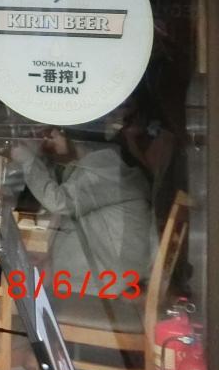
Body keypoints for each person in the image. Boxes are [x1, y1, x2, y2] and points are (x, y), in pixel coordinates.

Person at [12, 119, 155, 284]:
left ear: (70, 135)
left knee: (17, 266)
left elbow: (58, 202)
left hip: (110, 280)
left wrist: (28, 160)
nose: (47, 139)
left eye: (52, 132)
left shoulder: (104, 169)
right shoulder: (104, 164)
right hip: (113, 271)